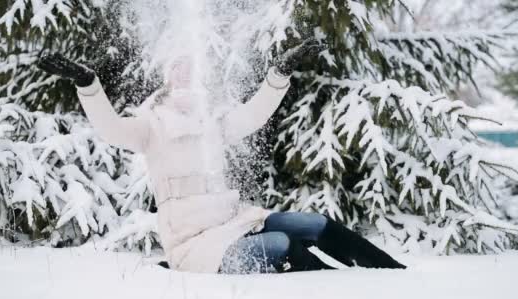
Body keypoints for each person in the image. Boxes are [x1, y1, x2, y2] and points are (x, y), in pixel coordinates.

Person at [37, 41, 406, 274]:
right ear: (167, 79)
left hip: (237, 222)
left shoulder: (213, 120)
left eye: (191, 67)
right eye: (177, 68)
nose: (185, 72)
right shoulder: (150, 123)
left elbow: (254, 114)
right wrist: (89, 85)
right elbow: (111, 130)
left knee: (313, 223)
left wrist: (279, 74)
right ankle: (332, 285)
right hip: (193, 244)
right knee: (281, 246)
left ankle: (389, 272)